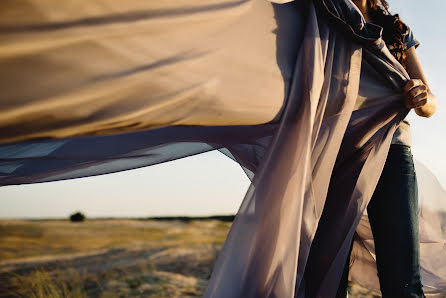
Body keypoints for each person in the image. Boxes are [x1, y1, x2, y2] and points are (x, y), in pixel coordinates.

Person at [337, 0, 437, 297]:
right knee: (325, 275)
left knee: (403, 280)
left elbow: (429, 104)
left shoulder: (395, 30)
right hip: (332, 152)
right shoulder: (321, 15)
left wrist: (419, 96)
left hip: (391, 152)